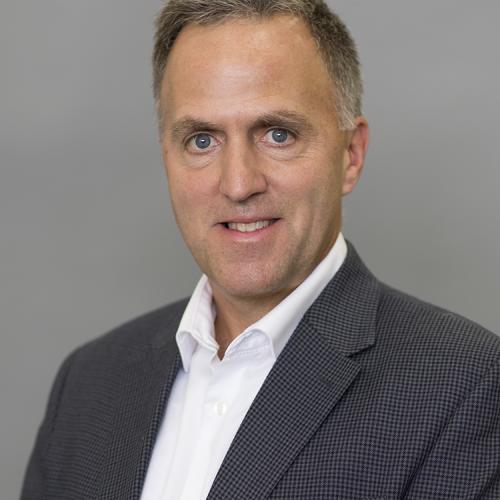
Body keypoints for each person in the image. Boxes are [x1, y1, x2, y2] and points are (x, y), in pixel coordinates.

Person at [21, 1, 500, 498]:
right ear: (167, 159)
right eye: (202, 140)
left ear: (350, 154)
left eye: (278, 134)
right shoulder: (89, 384)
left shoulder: (468, 388)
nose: (238, 183)